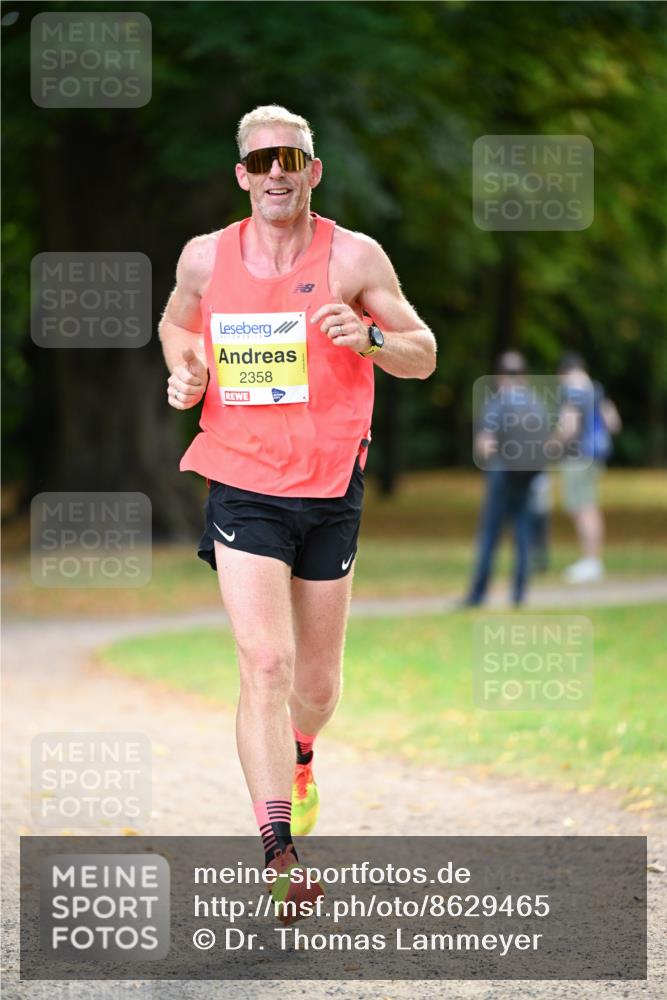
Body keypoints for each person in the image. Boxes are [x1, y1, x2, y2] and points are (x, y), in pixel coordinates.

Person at [158, 105, 436, 920]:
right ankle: (278, 851)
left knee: (314, 686)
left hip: (328, 486)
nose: (276, 171)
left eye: (292, 158)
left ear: (312, 170)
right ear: (241, 175)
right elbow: (176, 324)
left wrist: (370, 338)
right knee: (267, 665)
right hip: (240, 480)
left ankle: (302, 752)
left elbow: (422, 350)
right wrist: (186, 369)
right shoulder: (206, 258)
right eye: (260, 160)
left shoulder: (354, 255)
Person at [464, 351, 547, 607]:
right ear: (525, 375)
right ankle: (519, 594)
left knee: (490, 534)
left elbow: (485, 446)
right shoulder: (536, 403)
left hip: (501, 474)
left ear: (500, 376)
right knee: (522, 533)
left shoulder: (498, 402)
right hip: (528, 476)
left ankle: (478, 595)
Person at [555, 352, 621, 583]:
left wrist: (551, 445)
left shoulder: (571, 391)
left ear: (563, 372)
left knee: (582, 508)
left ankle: (590, 562)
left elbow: (569, 426)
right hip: (596, 456)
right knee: (590, 506)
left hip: (577, 457)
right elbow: (613, 423)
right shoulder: (597, 388)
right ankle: (593, 560)